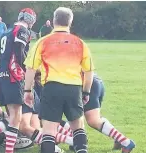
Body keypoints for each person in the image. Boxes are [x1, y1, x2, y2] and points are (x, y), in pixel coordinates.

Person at [23, 7, 93, 153]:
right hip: (74, 88)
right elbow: (89, 71)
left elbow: (30, 69)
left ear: (54, 21)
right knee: (78, 127)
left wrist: (27, 90)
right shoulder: (80, 43)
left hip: (52, 87)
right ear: (70, 22)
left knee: (48, 131)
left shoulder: (43, 42)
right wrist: (86, 92)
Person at [0, 8, 36, 153]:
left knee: (12, 116)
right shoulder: (21, 31)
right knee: (16, 115)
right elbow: (20, 55)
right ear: (30, 20)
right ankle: (3, 148)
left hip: (2, 76)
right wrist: (28, 71)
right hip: (13, 77)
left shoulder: (7, 31)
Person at [58, 74, 136, 153]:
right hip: (92, 81)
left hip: (85, 84)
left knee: (93, 120)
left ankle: (126, 142)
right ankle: (76, 139)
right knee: (83, 119)